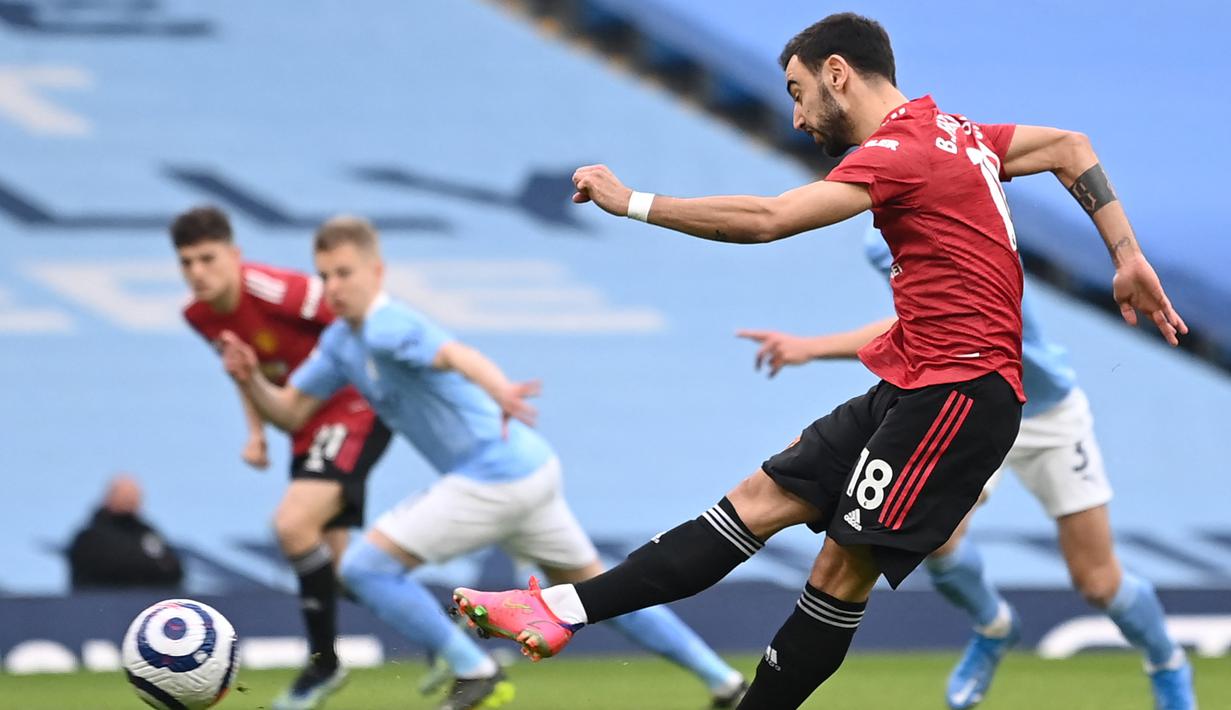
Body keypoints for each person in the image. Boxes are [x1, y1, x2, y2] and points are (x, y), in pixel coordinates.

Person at [450, 12, 1189, 710]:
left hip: (960, 393)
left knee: (839, 571)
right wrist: (1124, 256)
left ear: (838, 73)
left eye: (799, 94)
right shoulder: (957, 135)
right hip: (910, 380)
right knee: (756, 498)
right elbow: (1070, 147)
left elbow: (768, 221)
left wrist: (634, 201)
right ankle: (558, 609)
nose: (798, 117)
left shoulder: (901, 152)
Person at [218, 215, 751, 710]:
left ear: (376, 271)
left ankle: (473, 668)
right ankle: (723, 682)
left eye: (344, 273)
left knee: (364, 568)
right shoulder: (340, 342)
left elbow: (454, 353)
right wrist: (250, 380)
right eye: (324, 276)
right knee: (593, 591)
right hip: (528, 471)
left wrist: (500, 388)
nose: (333, 286)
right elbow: (289, 412)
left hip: (493, 475)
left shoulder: (387, 324)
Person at [736, 225, 1195, 708]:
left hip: (1043, 411)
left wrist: (812, 348)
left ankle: (1167, 662)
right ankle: (994, 627)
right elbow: (916, 324)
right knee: (936, 539)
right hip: (968, 402)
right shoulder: (884, 239)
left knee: (1098, 583)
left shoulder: (975, 217)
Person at [173, 206, 392, 710]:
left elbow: (360, 315)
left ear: (235, 256)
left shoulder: (280, 291)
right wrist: (256, 432)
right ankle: (456, 627)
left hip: (350, 407)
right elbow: (244, 367)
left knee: (292, 524)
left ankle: (323, 664)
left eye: (208, 259)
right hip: (299, 422)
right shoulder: (200, 314)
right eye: (186, 263)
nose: (197, 273)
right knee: (340, 575)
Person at [68, 474, 183, 590]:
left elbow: (173, 569)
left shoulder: (148, 533)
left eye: (134, 495)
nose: (129, 499)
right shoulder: (90, 537)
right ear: (109, 497)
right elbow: (105, 568)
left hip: (146, 601)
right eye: (124, 495)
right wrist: (144, 566)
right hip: (102, 602)